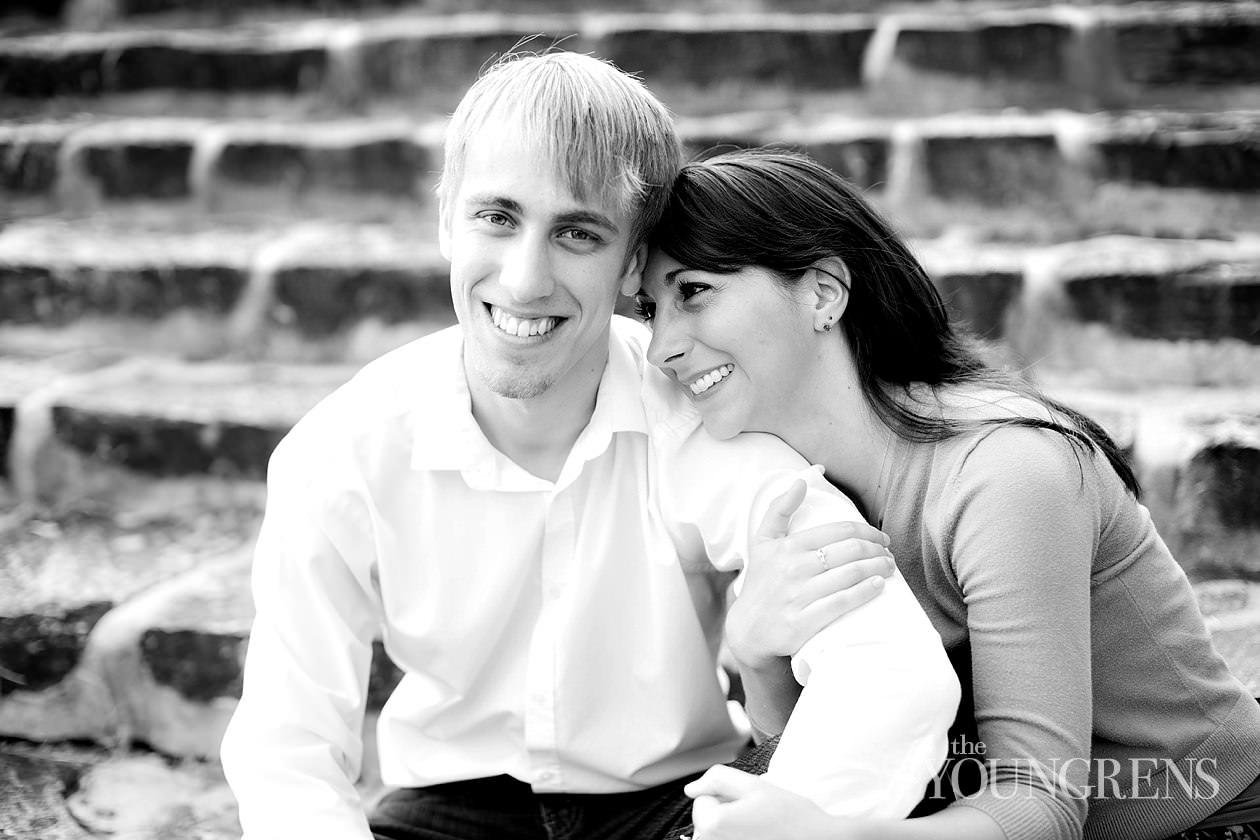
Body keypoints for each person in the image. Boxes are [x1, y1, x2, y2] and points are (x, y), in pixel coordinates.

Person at [219, 54, 961, 840]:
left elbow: (889, 667)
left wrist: (797, 822)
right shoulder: (343, 451)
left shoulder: (702, 422)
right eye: (496, 217)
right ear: (445, 218)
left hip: (673, 805)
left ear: (634, 261)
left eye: (578, 232)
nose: (526, 278)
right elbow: (287, 744)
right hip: (452, 811)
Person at [637, 147, 1260, 840]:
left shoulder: (1006, 474)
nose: (661, 345)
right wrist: (757, 654)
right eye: (649, 307)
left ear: (822, 292)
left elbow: (1042, 807)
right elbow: (836, 757)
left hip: (1204, 819)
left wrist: (834, 837)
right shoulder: (785, 486)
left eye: (693, 291)